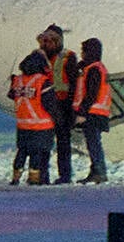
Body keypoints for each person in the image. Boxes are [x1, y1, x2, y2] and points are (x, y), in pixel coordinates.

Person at [19, 24, 81, 183]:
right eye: (45, 40)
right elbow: (24, 68)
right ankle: (42, 175)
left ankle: (65, 176)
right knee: (43, 143)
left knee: (63, 143)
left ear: (59, 41)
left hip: (63, 104)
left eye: (51, 40)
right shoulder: (37, 57)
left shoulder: (68, 57)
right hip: (44, 105)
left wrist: (74, 108)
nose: (47, 44)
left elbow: (74, 83)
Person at [7, 56, 55, 186]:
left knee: (22, 151)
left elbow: (11, 95)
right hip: (41, 125)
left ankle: (16, 177)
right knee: (37, 153)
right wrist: (58, 119)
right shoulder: (42, 82)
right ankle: (34, 178)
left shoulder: (18, 80)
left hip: (23, 124)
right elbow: (50, 104)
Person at [73, 37, 112, 184]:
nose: (81, 54)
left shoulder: (94, 69)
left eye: (83, 51)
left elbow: (91, 93)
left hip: (93, 113)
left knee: (93, 144)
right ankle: (96, 172)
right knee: (93, 143)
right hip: (97, 112)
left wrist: (82, 113)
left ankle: (99, 172)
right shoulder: (95, 67)